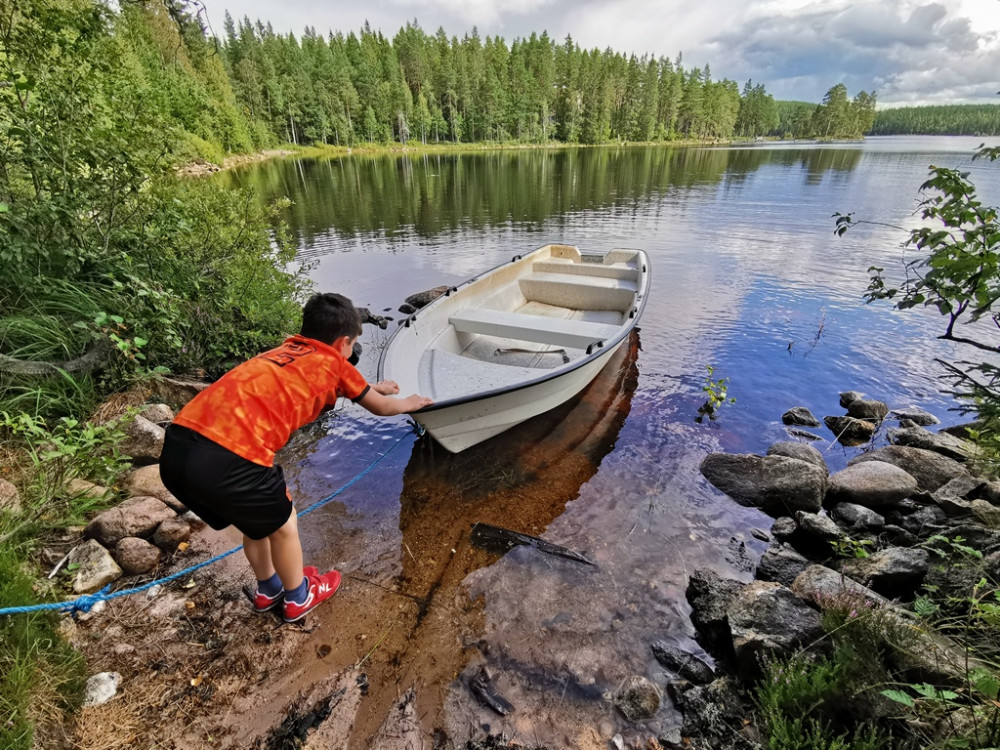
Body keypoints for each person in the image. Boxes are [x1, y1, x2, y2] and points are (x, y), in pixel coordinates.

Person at [159, 292, 433, 623]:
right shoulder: (335, 363)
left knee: (256, 524)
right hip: (229, 458)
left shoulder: (285, 351)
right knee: (284, 524)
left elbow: (313, 383)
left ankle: (269, 589)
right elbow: (382, 407)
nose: (349, 353)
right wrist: (411, 403)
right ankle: (299, 596)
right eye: (352, 346)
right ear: (343, 343)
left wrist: (370, 385)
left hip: (178, 448)